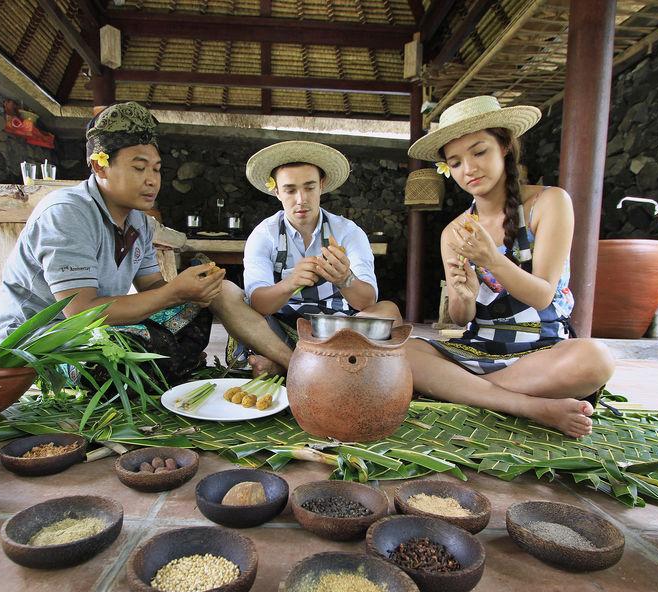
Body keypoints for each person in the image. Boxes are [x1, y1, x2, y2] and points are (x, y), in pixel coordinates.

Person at [0, 102, 292, 383]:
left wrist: (194, 290)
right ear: (100, 166)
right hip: (45, 346)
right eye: (139, 167)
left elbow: (152, 288)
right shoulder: (67, 212)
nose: (152, 179)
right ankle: (170, 365)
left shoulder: (139, 222)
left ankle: (294, 364)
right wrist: (175, 292)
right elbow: (81, 312)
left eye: (157, 169)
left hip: (99, 329)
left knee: (220, 292)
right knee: (121, 350)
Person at [405, 96, 615, 438]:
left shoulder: (548, 203)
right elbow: (460, 319)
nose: (469, 169)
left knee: (596, 359)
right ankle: (531, 406)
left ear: (504, 146)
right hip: (478, 349)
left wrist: (490, 259)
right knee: (403, 351)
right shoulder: (454, 231)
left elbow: (543, 295)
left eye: (479, 152)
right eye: (455, 163)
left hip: (542, 352)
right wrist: (463, 295)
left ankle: (463, 392)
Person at [235, 140, 401, 375]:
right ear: (276, 191)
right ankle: (304, 364)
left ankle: (286, 367)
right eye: (290, 190)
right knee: (227, 295)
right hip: (280, 330)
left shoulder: (348, 232)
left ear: (322, 185)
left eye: (309, 187)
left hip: (339, 332)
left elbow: (368, 302)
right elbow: (258, 303)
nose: (301, 199)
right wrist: (290, 283)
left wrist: (345, 279)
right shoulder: (264, 234)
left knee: (388, 311)